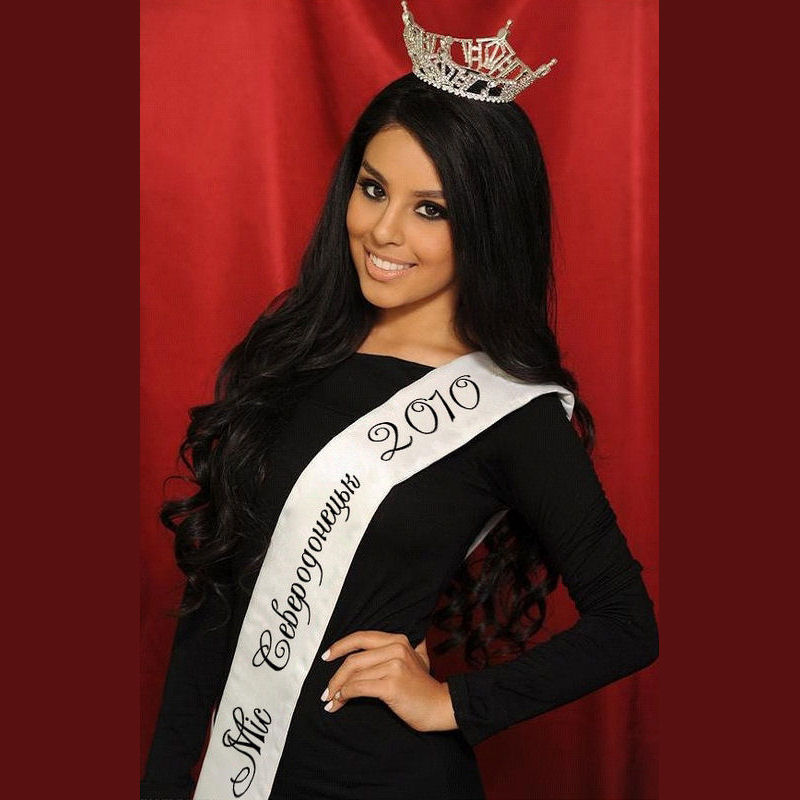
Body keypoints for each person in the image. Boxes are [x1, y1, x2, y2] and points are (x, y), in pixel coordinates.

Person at [141, 4, 658, 799]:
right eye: (373, 189)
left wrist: (451, 702)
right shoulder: (294, 356)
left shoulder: (508, 412)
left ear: (486, 225)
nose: (384, 232)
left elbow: (627, 624)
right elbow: (215, 591)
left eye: (430, 209)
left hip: (389, 780)